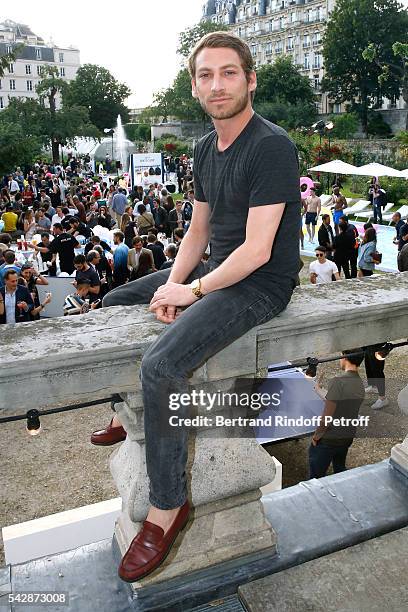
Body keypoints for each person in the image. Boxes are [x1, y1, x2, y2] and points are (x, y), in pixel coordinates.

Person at [96, 31, 300, 583]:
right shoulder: (205, 147)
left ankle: (166, 508)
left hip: (259, 283)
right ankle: (132, 411)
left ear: (250, 79)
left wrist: (194, 293)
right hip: (217, 270)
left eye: (229, 73)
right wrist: (176, 285)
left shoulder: (271, 145)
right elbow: (199, 230)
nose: (217, 85)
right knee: (116, 299)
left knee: (161, 366)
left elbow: (258, 251)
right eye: (206, 75)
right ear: (194, 86)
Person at [309, 348, 365, 478]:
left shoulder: (338, 381)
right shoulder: (359, 383)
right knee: (339, 469)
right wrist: (318, 390)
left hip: (329, 440)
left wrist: (316, 436)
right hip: (347, 437)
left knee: (314, 478)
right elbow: (337, 401)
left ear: (345, 357)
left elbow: (327, 417)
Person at [364, 345, 389, 410]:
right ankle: (374, 387)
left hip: (379, 343)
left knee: (377, 369)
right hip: (370, 343)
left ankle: (382, 399)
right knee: (368, 364)